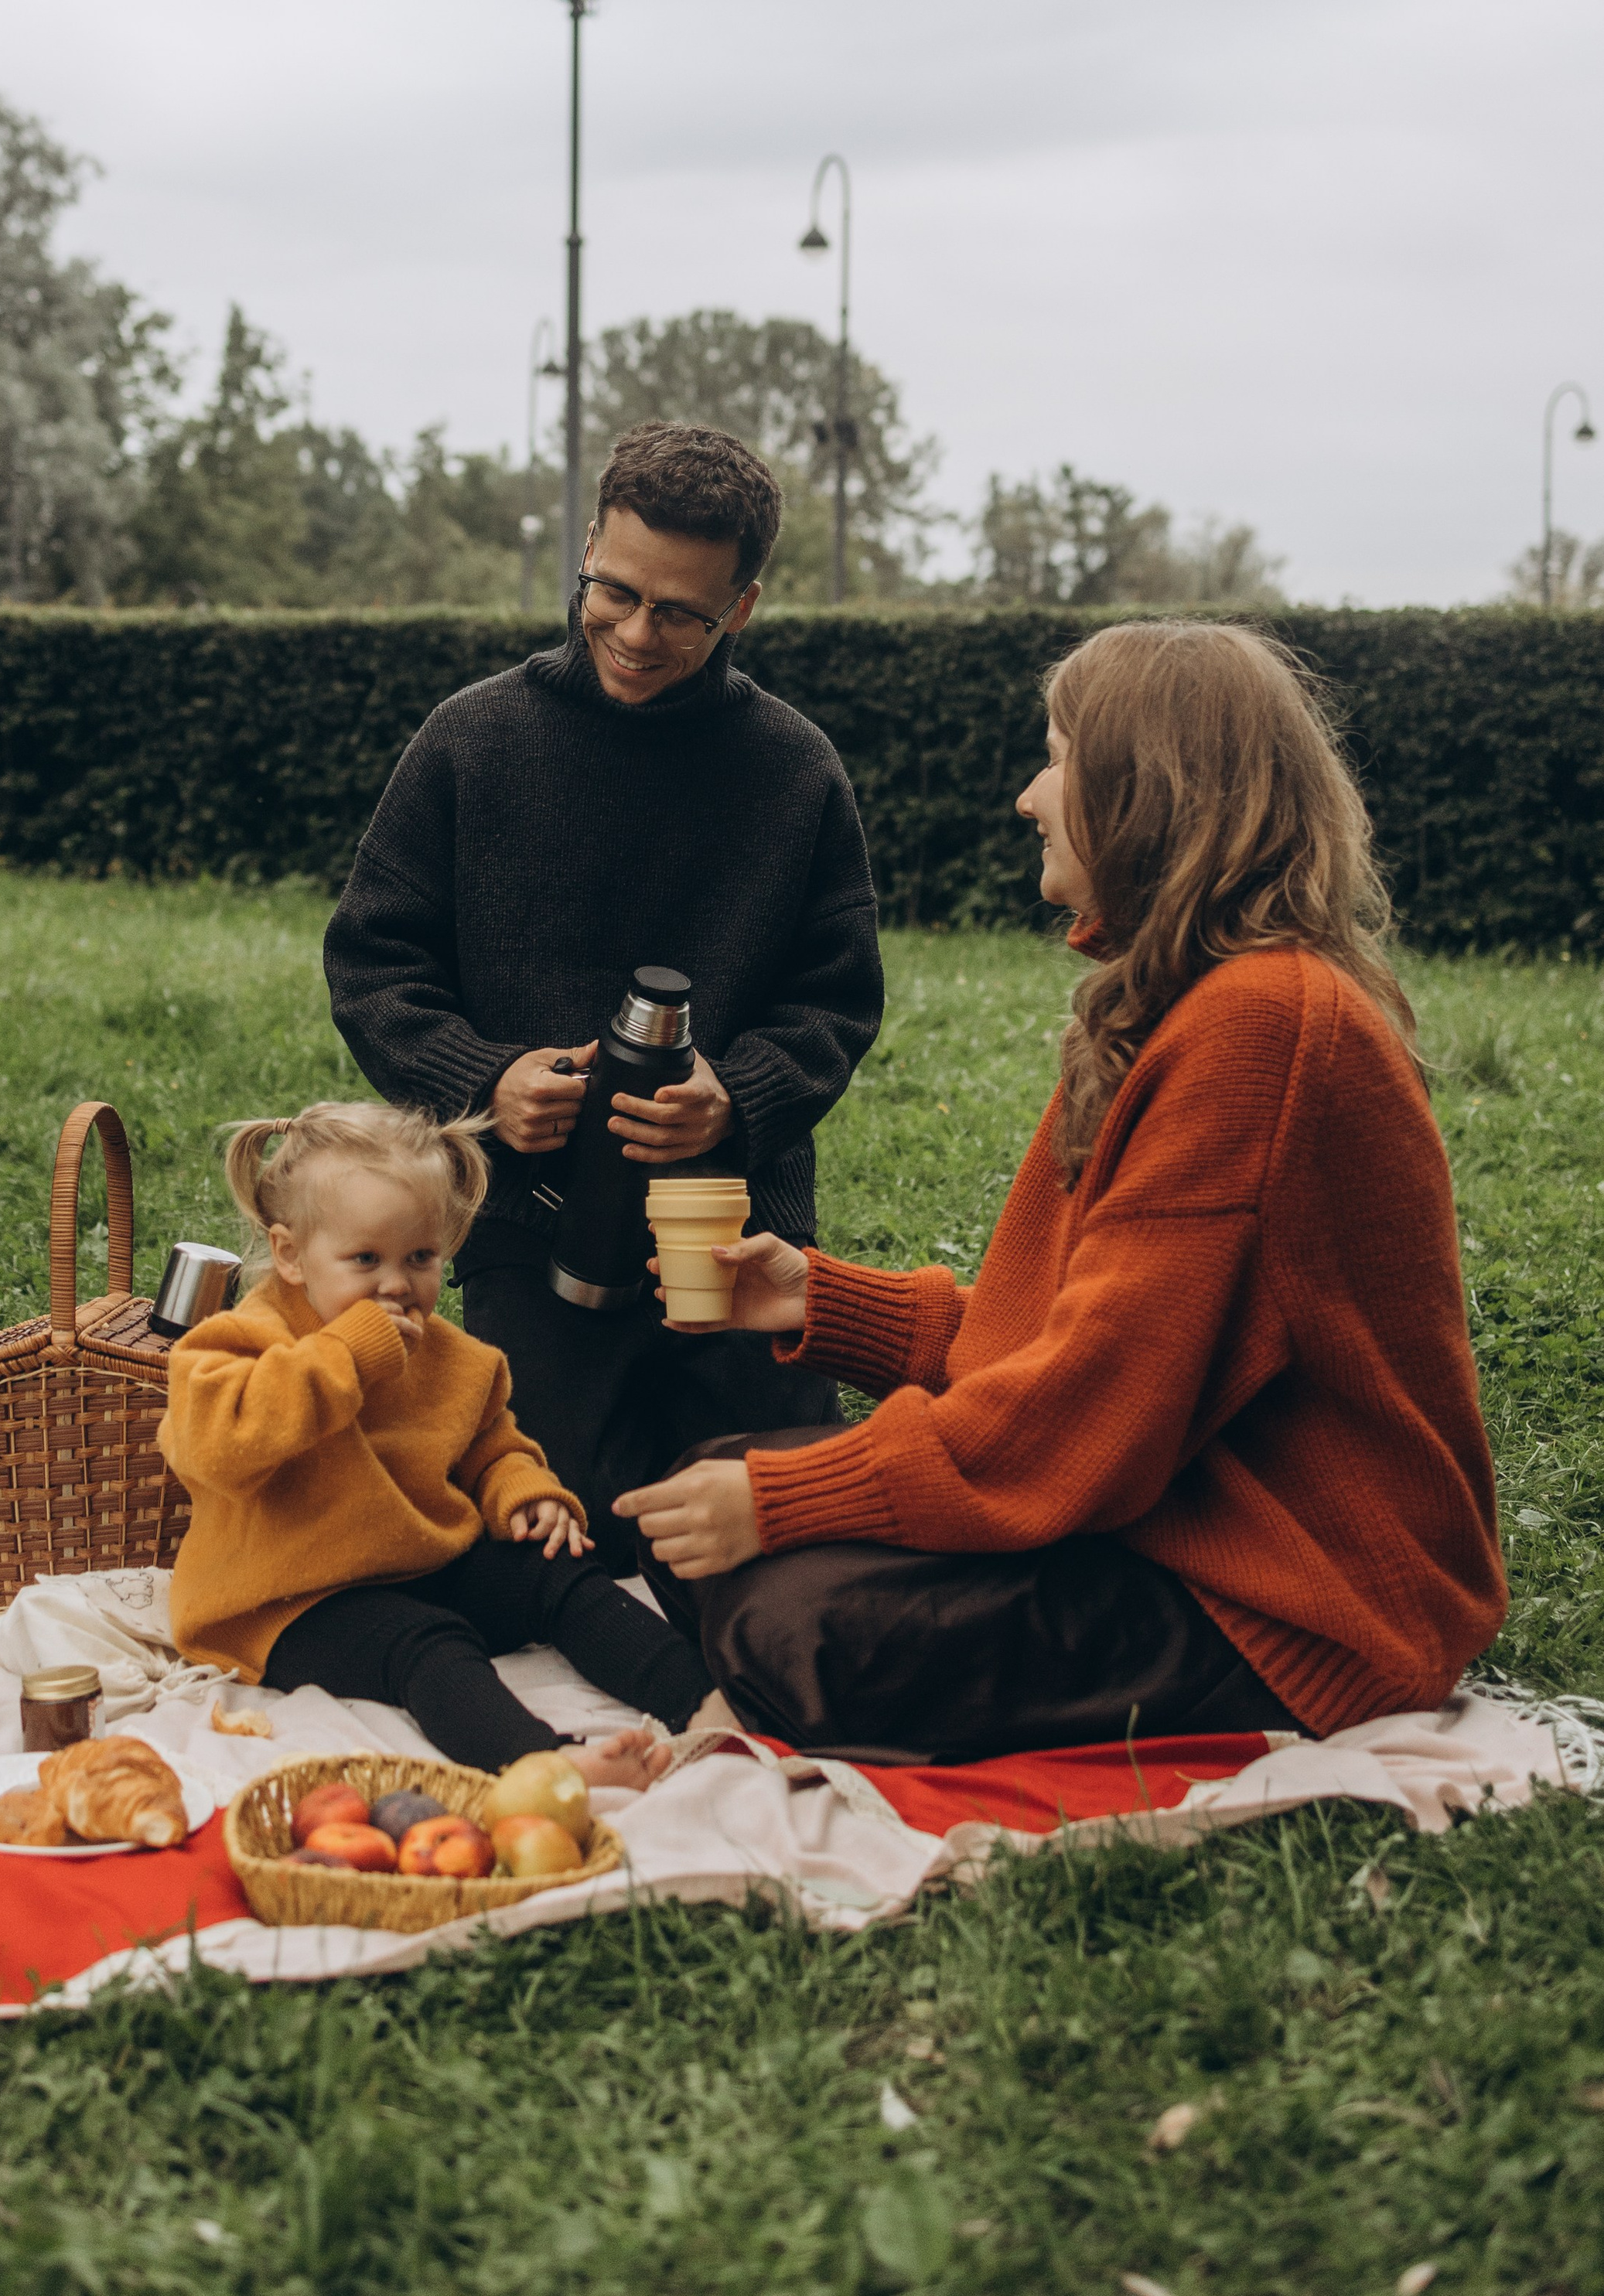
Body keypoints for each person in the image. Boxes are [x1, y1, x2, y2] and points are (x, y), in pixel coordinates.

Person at [615, 620, 1507, 1764]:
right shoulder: (1184, 999)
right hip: (1165, 1509)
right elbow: (1067, 1338)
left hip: (1295, 1601)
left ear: (1147, 790)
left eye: (1055, 759)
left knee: (793, 1618)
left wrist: (791, 1500)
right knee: (701, 1496)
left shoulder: (1262, 1027)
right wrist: (821, 1301)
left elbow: (1087, 1411)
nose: (1028, 797)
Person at [323, 419, 885, 1565]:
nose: (634, 633)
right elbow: (374, 960)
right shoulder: (473, 740)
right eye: (614, 592)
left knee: (786, 1544)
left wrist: (738, 1098)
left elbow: (837, 1000)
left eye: (679, 612)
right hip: (530, 1228)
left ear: (742, 607)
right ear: (586, 549)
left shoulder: (795, 769)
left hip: (735, 1235)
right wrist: (484, 1079)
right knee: (556, 1537)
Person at [158, 1102, 710, 1784]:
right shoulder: (245, 1340)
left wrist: (523, 1491)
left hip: (417, 1563)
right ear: (291, 1255)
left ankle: (706, 1699)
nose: (397, 1283)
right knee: (426, 1645)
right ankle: (543, 1764)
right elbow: (216, 1447)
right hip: (289, 1601)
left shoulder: (448, 1356)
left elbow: (491, 1443)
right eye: (365, 1258)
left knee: (554, 1573)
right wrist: (343, 1357)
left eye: (419, 1256)